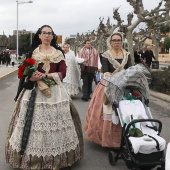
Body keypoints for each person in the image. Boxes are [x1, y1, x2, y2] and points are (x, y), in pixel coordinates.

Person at [5, 25, 83, 170]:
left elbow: (62, 72)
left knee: (56, 123)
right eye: (44, 33)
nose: (47, 35)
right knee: (33, 123)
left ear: (53, 36)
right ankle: (31, 157)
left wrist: (46, 76)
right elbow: (25, 73)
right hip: (34, 92)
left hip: (55, 93)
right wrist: (32, 77)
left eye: (49, 33)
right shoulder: (32, 52)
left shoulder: (59, 53)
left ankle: (58, 158)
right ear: (39, 36)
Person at [84, 32, 132, 148]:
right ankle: (108, 139)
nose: (116, 42)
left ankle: (126, 137)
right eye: (114, 40)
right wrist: (114, 79)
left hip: (124, 85)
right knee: (109, 110)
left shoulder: (127, 54)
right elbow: (105, 70)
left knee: (127, 110)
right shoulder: (106, 55)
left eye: (118, 40)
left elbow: (129, 69)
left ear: (122, 42)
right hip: (109, 83)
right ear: (110, 42)